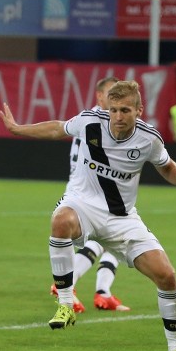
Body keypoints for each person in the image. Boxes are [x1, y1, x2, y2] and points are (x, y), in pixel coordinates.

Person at [0, 80, 176, 351]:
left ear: (139, 110)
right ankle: (65, 304)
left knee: (167, 276)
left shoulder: (149, 139)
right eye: (113, 110)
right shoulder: (90, 122)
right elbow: (56, 128)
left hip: (122, 219)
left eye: (125, 110)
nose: (118, 116)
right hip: (83, 205)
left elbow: (169, 170)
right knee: (60, 221)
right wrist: (17, 129)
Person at [50, 76, 131, 312]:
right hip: (91, 191)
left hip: (101, 189)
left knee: (117, 240)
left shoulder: (104, 120)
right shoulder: (94, 119)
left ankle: (102, 292)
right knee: (108, 238)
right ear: (99, 96)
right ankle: (69, 282)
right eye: (111, 94)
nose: (116, 99)